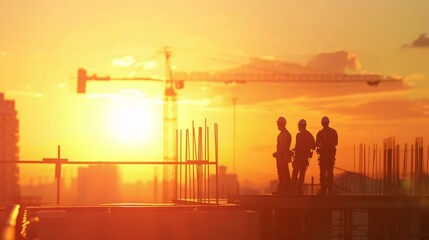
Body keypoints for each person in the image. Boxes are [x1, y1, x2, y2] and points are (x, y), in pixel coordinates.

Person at [291, 119, 315, 195]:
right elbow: (313, 147)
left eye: (299, 125)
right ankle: (299, 190)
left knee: (295, 174)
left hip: (298, 158)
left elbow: (297, 147)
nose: (298, 127)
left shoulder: (298, 135)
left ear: (301, 126)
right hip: (304, 158)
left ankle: (293, 190)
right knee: (301, 174)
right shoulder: (309, 135)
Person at [316, 116, 338, 195]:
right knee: (330, 172)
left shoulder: (320, 133)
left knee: (322, 172)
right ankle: (330, 189)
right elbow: (336, 143)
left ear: (322, 123)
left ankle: (323, 189)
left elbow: (317, 144)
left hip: (323, 155)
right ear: (328, 123)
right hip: (331, 155)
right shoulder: (334, 132)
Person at [272, 116, 292, 195]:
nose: (277, 125)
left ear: (281, 124)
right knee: (285, 173)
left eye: (278, 124)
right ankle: (286, 190)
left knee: (282, 174)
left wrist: (277, 154)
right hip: (284, 157)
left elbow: (281, 147)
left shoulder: (283, 134)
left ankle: (282, 191)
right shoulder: (287, 134)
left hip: (282, 157)